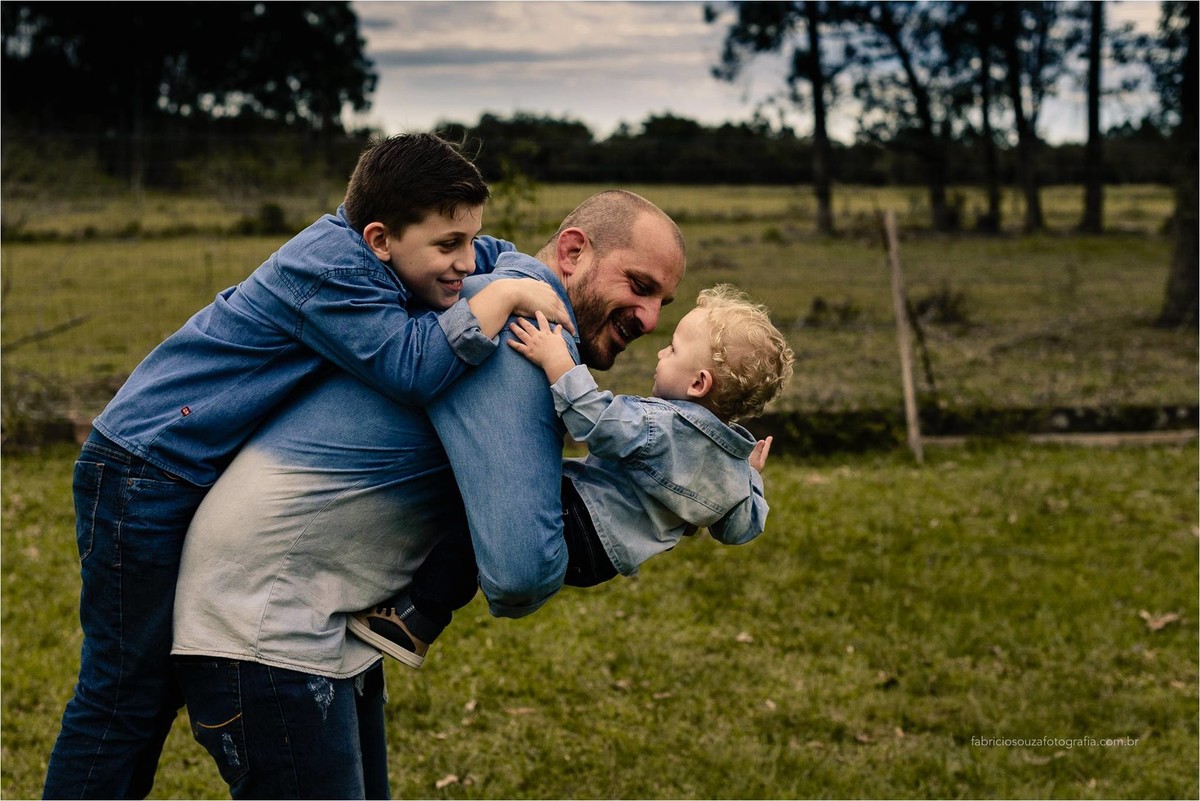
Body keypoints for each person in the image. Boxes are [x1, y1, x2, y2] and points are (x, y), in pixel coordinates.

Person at [43, 133, 573, 800]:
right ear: (381, 239)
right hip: (144, 469)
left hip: (180, 465)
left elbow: (490, 260)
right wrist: (498, 300)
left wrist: (514, 274)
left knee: (147, 686)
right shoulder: (332, 268)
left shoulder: (386, 253)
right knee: (126, 690)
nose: (468, 263)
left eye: (473, 239)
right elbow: (411, 366)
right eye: (448, 246)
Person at [169, 189, 687, 798]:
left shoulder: (495, 295)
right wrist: (647, 508)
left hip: (306, 619)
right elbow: (521, 566)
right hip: (266, 624)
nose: (650, 320)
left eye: (662, 303)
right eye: (640, 285)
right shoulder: (520, 333)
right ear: (572, 251)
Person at [349, 284, 796, 668]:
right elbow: (740, 529)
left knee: (484, 524)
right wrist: (751, 478)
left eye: (673, 349)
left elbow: (597, 423)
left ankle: (415, 618)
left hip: (583, 522)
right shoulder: (733, 469)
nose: (661, 351)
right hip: (602, 559)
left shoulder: (666, 428)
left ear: (699, 384)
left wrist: (555, 358)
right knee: (479, 524)